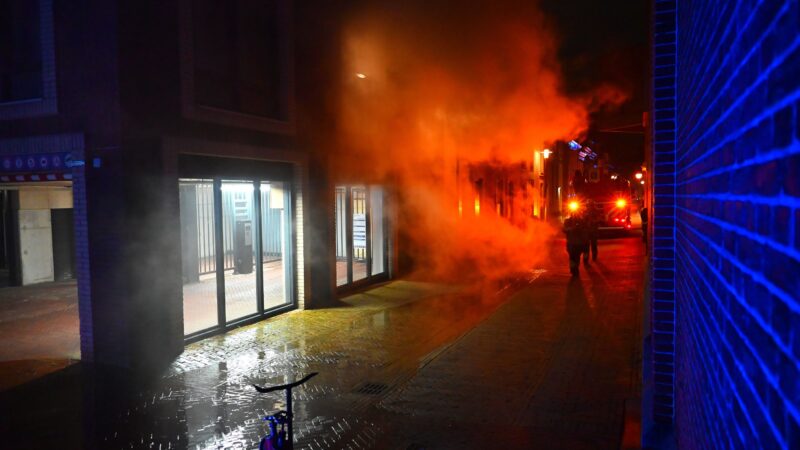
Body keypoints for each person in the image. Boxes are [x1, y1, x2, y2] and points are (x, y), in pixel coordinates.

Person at [563, 206, 590, 276]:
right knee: (572, 257)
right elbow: (564, 229)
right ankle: (573, 269)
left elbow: (587, 229)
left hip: (579, 243)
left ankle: (575, 269)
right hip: (571, 243)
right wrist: (571, 229)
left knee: (576, 257)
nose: (575, 215)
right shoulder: (568, 221)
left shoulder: (583, 221)